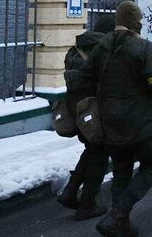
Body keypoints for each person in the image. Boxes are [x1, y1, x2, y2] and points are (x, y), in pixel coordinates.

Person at [75, 1, 152, 236]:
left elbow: (84, 80)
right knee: (151, 164)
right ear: (136, 22)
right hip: (141, 123)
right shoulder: (144, 48)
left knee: (122, 171)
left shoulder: (101, 48)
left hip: (111, 123)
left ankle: (121, 224)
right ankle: (119, 213)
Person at [59, 14, 115, 220]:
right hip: (95, 110)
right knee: (99, 155)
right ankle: (87, 204)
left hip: (78, 110)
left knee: (91, 150)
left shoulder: (76, 49)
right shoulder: (102, 51)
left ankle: (70, 192)